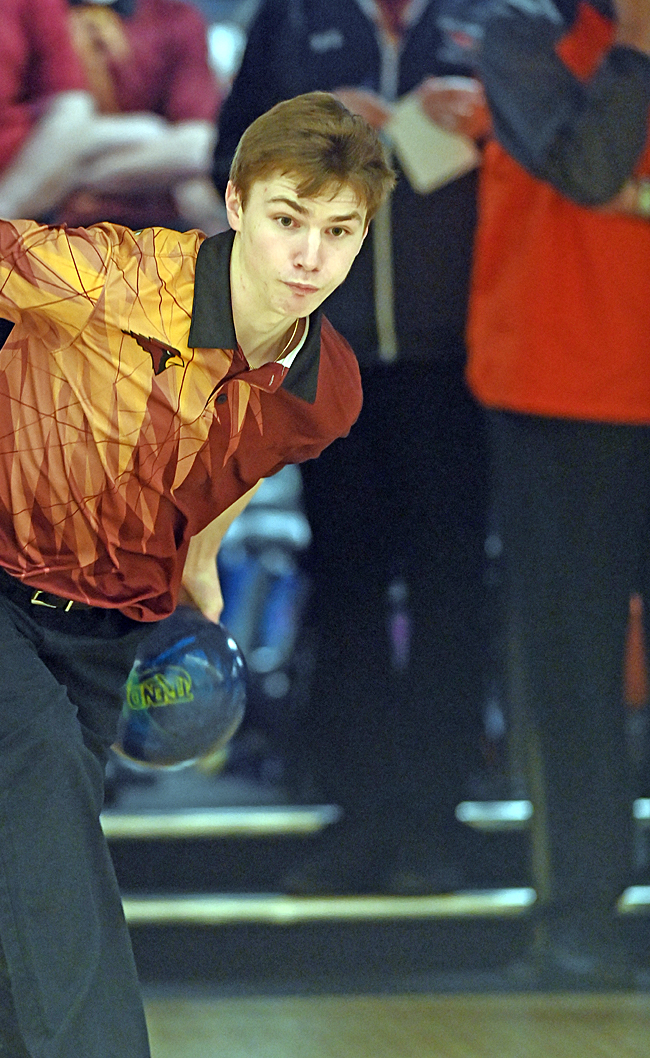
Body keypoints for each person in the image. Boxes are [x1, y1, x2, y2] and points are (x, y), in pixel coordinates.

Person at [0, 92, 394, 1056]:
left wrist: (199, 565)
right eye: (288, 221)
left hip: (102, 632)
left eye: (338, 232)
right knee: (38, 755)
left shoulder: (325, 386)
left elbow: (244, 457)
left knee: (26, 883)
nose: (309, 255)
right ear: (236, 203)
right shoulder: (108, 274)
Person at [213, 0, 493, 894]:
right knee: (344, 585)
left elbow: (556, 161)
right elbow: (227, 169)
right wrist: (313, 140)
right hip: (329, 361)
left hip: (466, 362)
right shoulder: (293, 18)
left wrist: (492, 123)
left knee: (454, 588)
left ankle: (438, 821)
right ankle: (360, 817)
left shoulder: (501, 16)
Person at [460, 0, 650, 986]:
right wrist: (637, 46)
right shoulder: (521, 33)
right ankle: (579, 914)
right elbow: (590, 166)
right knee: (572, 677)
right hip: (557, 393)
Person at [54, 0, 226, 235]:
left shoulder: (174, 16)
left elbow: (196, 134)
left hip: (139, 197)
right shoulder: (33, 10)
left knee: (194, 142)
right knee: (69, 113)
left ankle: (57, 180)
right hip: (45, 158)